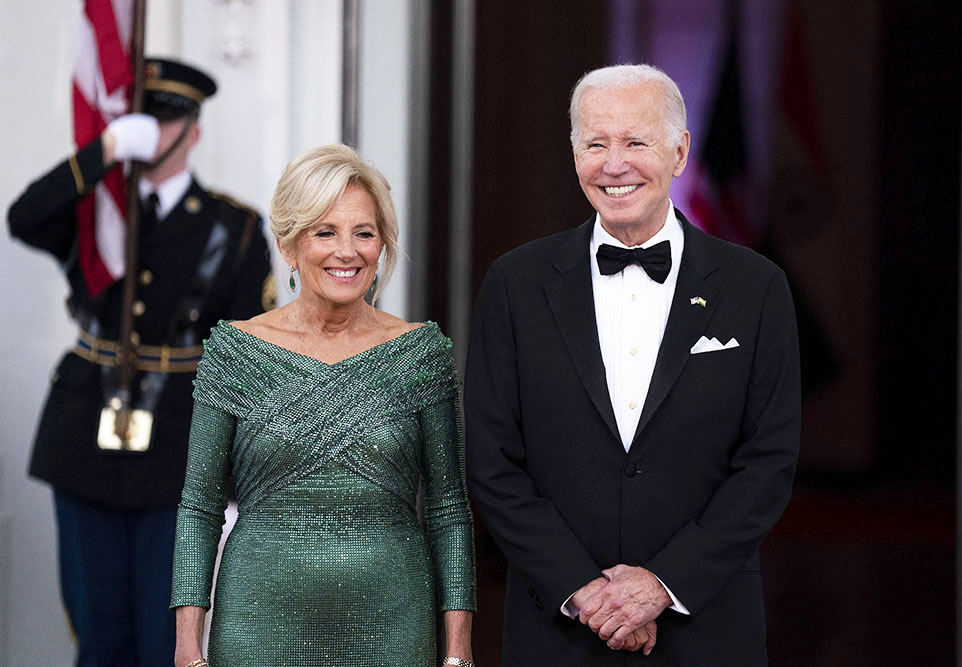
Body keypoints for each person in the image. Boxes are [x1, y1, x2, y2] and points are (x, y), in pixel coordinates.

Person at [464, 64, 800, 666]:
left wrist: (662, 586)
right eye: (595, 144)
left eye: (636, 142)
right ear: (574, 155)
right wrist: (585, 591)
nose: (614, 164)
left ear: (679, 152)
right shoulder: (515, 284)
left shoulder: (757, 287)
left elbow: (768, 461)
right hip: (557, 629)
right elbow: (491, 461)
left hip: (708, 627)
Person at [7, 58, 272, 666]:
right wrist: (102, 151)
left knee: (166, 637)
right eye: (139, 116)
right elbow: (22, 218)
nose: (150, 128)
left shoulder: (234, 229)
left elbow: (252, 362)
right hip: (84, 440)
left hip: (181, 454)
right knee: (99, 636)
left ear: (193, 131)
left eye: (164, 117)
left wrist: (240, 470)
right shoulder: (95, 213)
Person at [170, 144, 477, 667]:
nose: (348, 251)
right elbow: (199, 505)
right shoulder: (234, 350)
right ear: (288, 246)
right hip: (257, 625)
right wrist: (186, 647)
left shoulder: (422, 352)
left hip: (393, 625)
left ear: (381, 245)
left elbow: (449, 509)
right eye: (325, 232)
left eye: (364, 232)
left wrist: (458, 651)